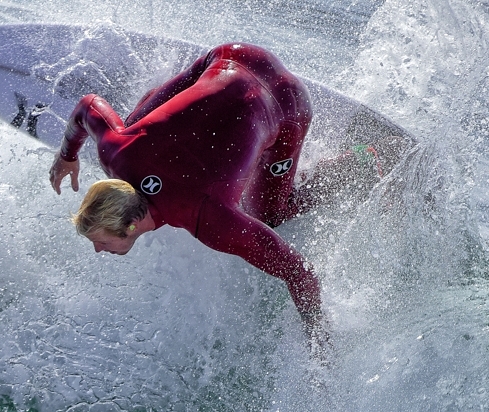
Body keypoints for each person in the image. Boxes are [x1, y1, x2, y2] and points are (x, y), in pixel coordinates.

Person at [48, 43, 327, 345]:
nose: (98, 250)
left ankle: (362, 160)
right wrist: (67, 156)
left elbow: (299, 272)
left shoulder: (208, 218)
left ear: (131, 226)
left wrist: (318, 340)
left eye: (101, 241)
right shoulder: (116, 153)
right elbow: (87, 106)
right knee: (130, 127)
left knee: (270, 215)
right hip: (233, 55)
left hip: (286, 102)